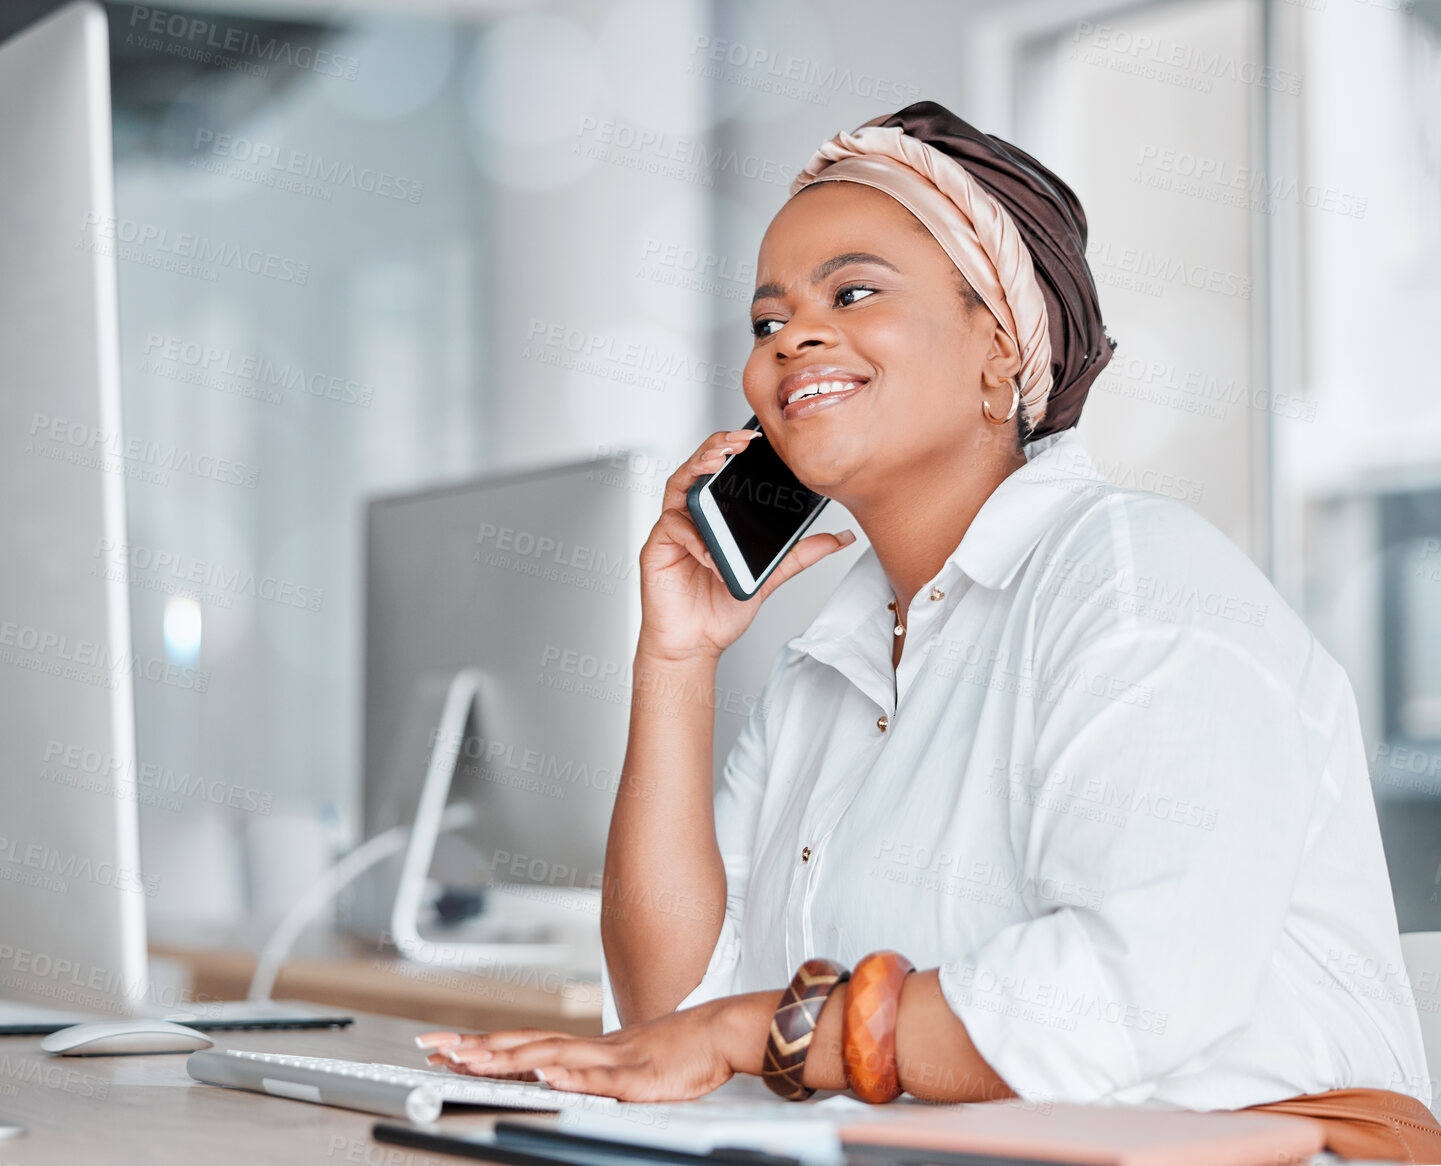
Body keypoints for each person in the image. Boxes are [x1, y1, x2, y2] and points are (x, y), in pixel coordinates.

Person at [416, 101, 1441, 1161]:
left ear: (1000, 348)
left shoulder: (1137, 579)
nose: (794, 338)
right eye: (768, 322)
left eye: (853, 292)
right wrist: (676, 659)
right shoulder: (833, 664)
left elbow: (1123, 995)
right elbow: (671, 1010)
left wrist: (749, 1032)